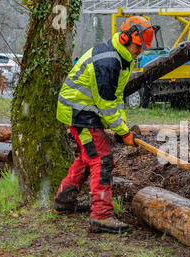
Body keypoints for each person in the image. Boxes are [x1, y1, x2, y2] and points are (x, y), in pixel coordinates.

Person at [54, 16, 154, 234]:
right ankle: (101, 214)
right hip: (79, 111)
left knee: (87, 156)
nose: (140, 51)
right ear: (127, 38)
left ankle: (65, 200)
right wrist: (123, 132)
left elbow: (117, 96)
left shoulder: (122, 58)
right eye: (139, 46)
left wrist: (123, 126)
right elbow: (106, 104)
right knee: (101, 158)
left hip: (86, 110)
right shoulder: (108, 61)